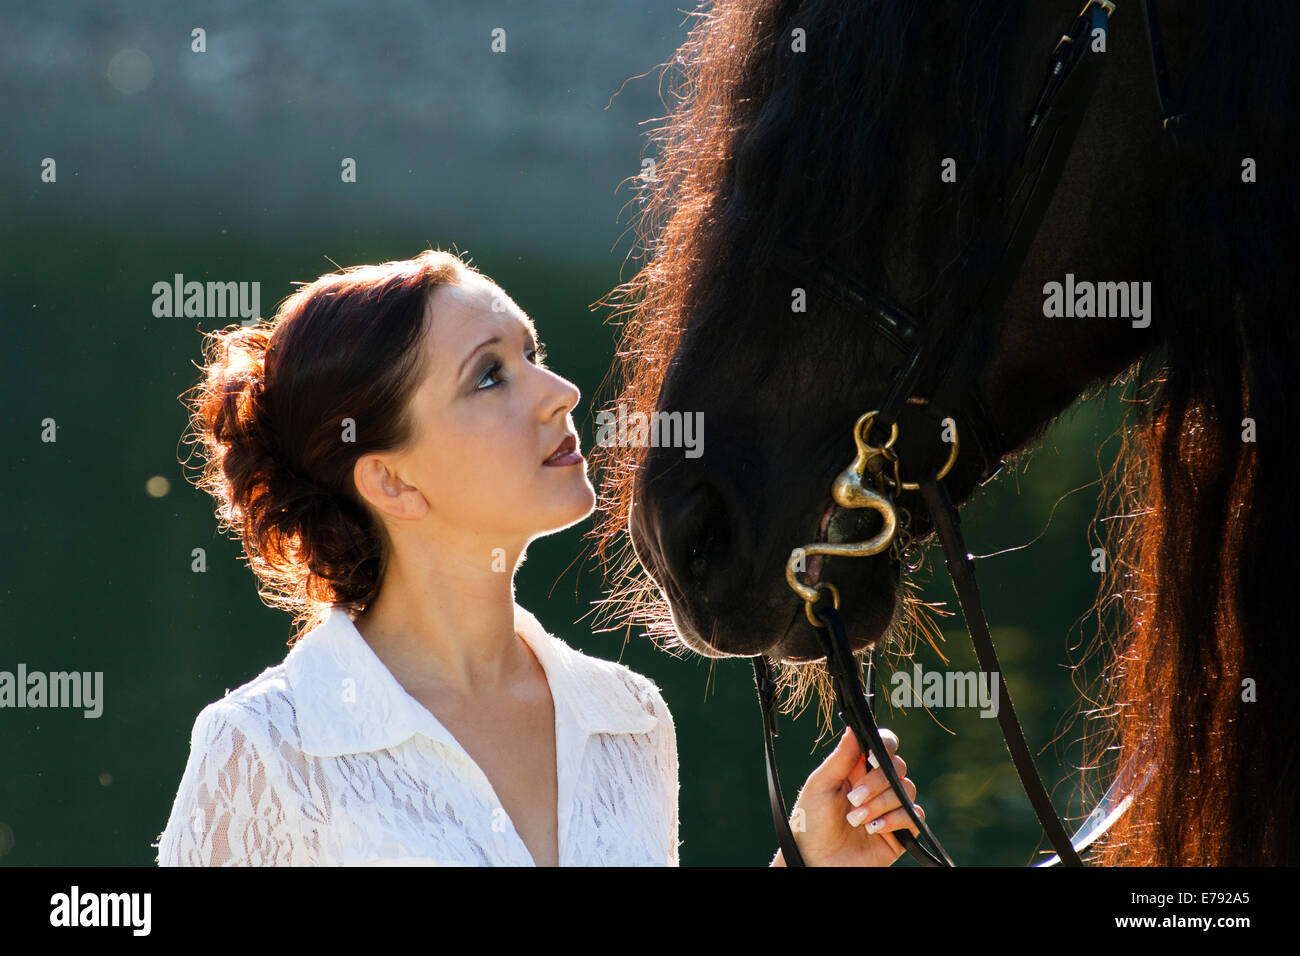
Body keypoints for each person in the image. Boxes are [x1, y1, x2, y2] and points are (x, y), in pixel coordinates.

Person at [155, 248, 925, 866]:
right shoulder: (266, 748)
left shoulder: (627, 718)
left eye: (533, 353)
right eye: (490, 375)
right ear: (390, 479)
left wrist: (813, 864)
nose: (559, 392)